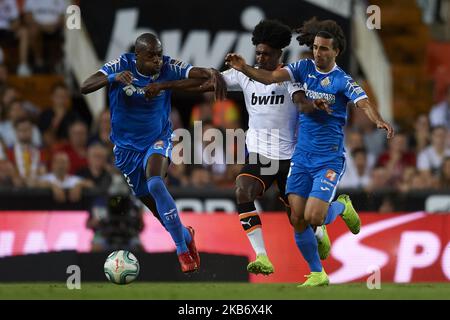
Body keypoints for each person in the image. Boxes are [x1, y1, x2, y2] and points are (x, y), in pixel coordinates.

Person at [143, 20, 333, 275]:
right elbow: (204, 84)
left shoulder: (289, 77)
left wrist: (313, 105)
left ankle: (323, 225)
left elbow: (302, 103)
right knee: (243, 190)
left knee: (300, 219)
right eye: (258, 52)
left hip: (291, 158)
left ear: (279, 54)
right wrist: (164, 86)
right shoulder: (243, 76)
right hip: (260, 156)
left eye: (266, 53)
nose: (260, 57)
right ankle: (262, 256)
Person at [225, 17, 394, 286]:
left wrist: (378, 120)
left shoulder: (342, 80)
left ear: (336, 51)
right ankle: (318, 273)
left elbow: (363, 103)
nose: (318, 53)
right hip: (300, 157)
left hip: (328, 157)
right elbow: (269, 76)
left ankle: (341, 206)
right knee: (298, 218)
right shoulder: (303, 68)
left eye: (324, 49)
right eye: (315, 47)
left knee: (314, 216)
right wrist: (244, 68)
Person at [80, 33, 226, 273]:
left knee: (156, 183)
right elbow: (85, 86)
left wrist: (204, 74)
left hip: (158, 139)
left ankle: (181, 250)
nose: (157, 60)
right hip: (126, 150)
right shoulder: (121, 65)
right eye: (151, 56)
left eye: (159, 54)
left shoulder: (167, 66)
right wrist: (113, 78)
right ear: (137, 56)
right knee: (155, 207)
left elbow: (201, 75)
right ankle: (185, 235)